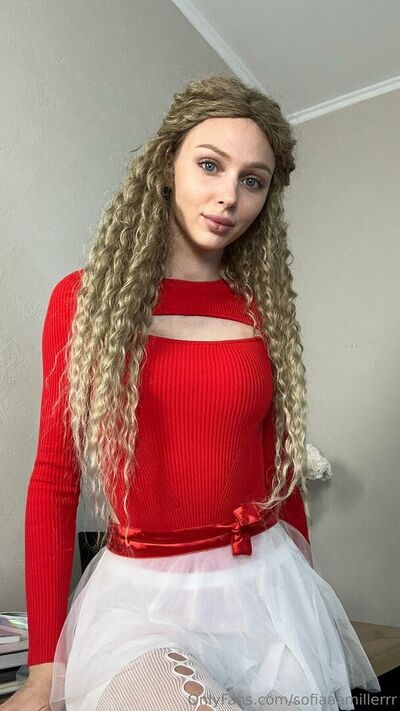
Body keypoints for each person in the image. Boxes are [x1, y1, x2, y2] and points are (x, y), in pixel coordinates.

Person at [5, 73, 381, 711]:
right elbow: (53, 479)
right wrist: (45, 669)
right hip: (140, 602)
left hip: (267, 586)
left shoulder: (261, 310)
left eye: (253, 180)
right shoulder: (83, 301)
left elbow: (280, 474)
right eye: (210, 165)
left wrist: (307, 607)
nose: (229, 195)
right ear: (166, 165)